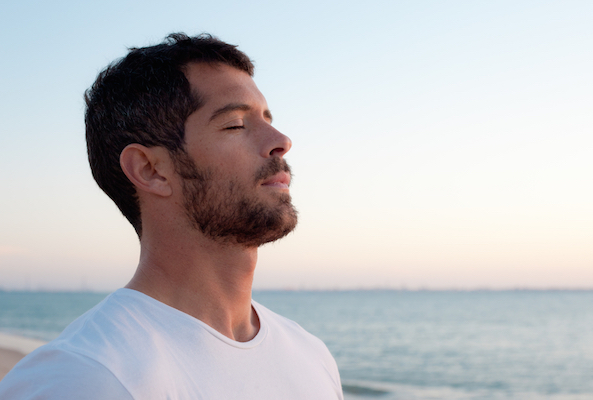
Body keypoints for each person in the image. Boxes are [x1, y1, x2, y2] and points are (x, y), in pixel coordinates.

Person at [0, 33, 343, 399]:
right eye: (235, 125)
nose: (281, 140)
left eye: (268, 119)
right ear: (150, 170)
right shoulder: (83, 377)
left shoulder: (310, 355)